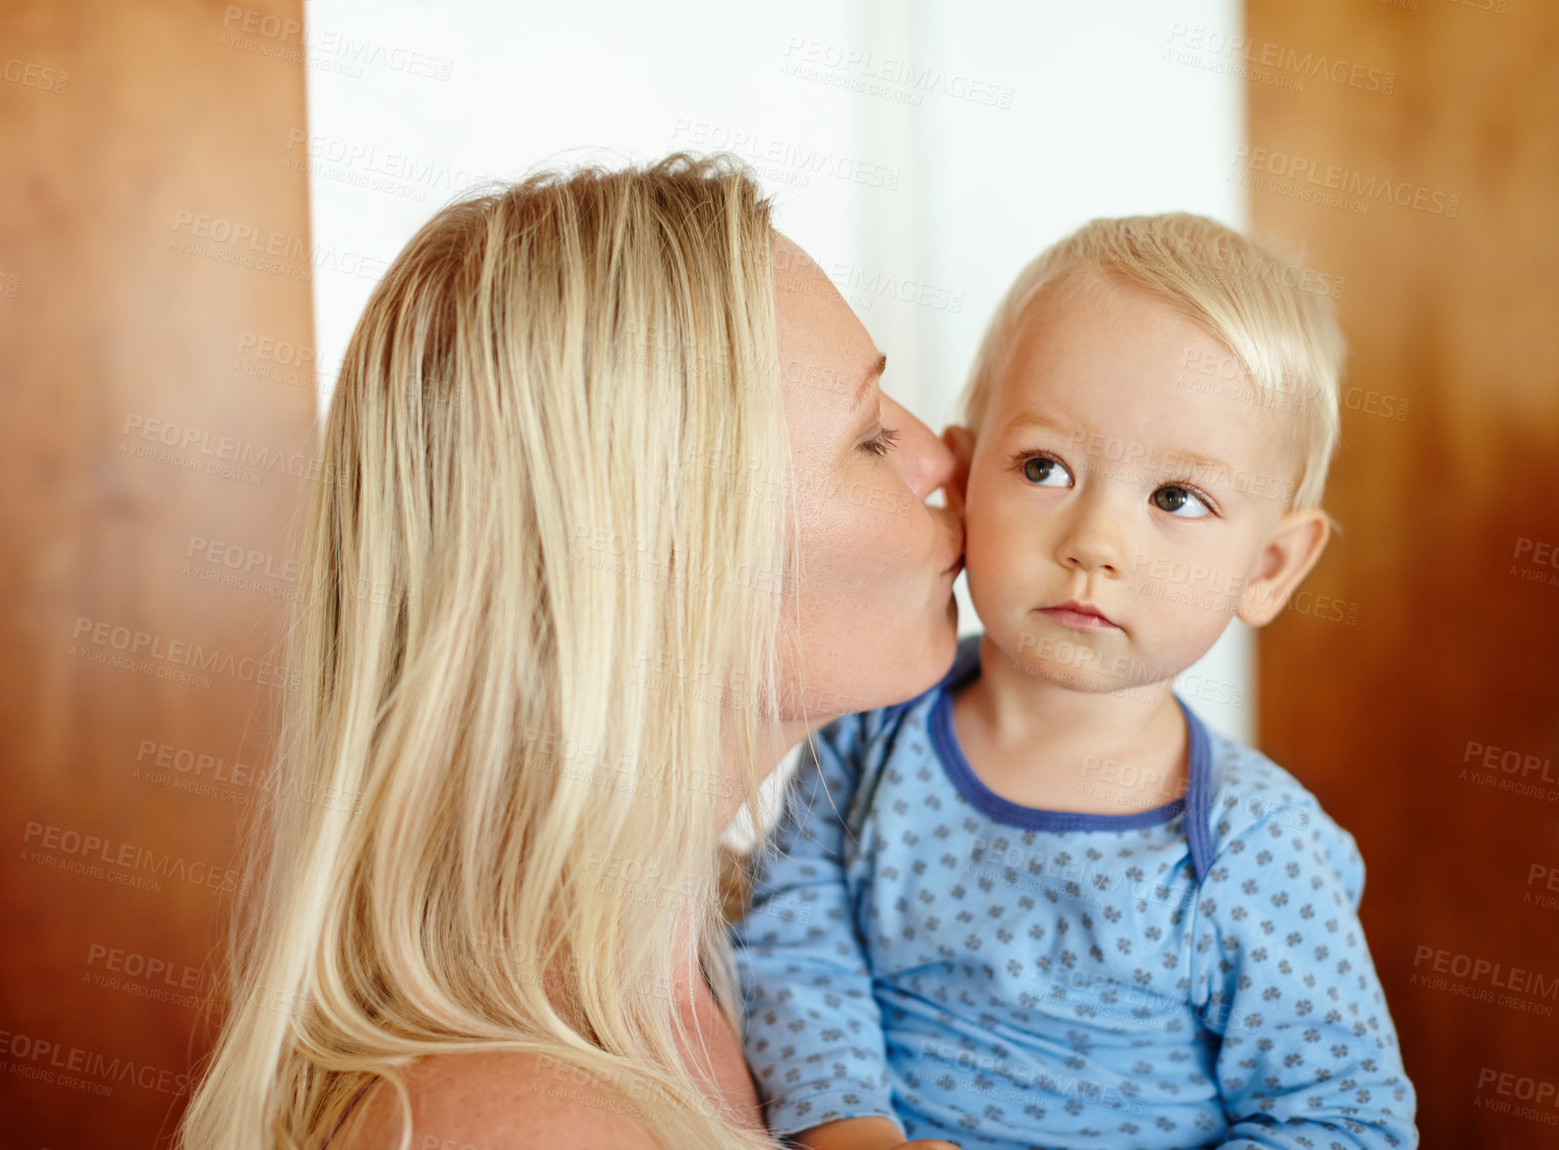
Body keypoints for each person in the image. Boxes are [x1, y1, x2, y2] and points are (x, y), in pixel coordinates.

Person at [177, 153, 972, 1150]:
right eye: (870, 437)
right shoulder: (510, 1127)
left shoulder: (764, 941)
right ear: (660, 564)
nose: (944, 456)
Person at [734, 214, 1418, 1149]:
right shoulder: (873, 731)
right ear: (968, 480)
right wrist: (852, 1128)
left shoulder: (1253, 848)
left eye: (1177, 498)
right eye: (1045, 467)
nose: (1095, 542)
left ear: (1269, 567)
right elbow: (791, 941)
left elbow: (1343, 1120)